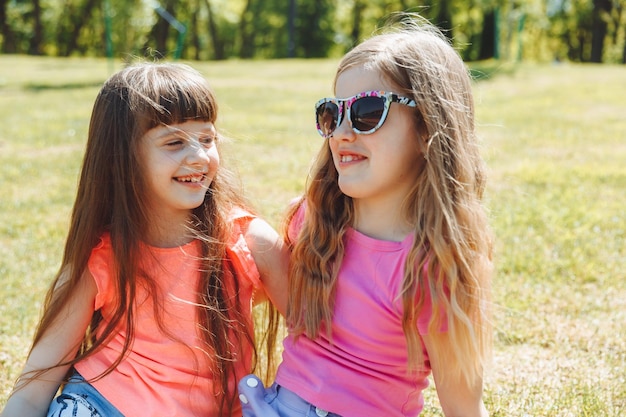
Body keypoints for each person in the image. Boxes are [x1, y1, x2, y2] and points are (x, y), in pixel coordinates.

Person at [238, 14, 493, 417]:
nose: (341, 132)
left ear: (428, 128)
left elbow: (462, 404)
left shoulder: (433, 268)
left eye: (368, 112)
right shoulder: (313, 220)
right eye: (332, 113)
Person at [1, 62, 288, 417]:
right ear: (123, 159)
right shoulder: (102, 259)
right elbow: (34, 387)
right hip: (103, 407)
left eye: (207, 138)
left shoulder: (248, 240)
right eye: (174, 142)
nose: (199, 156)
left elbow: (322, 337)